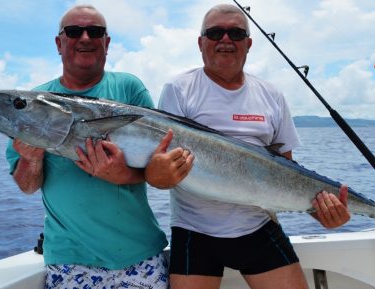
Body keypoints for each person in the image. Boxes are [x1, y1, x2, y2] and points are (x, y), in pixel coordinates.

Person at [145, 4, 351, 289]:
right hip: (195, 230)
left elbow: (287, 170)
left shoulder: (272, 95)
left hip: (258, 226)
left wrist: (321, 211)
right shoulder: (178, 89)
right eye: (215, 33)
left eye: (236, 33)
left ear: (249, 43)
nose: (225, 40)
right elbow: (163, 168)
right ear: (200, 42)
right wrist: (155, 174)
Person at [6, 5, 169, 289]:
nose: (84, 38)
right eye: (73, 31)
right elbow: (27, 186)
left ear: (106, 43)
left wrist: (122, 174)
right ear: (59, 43)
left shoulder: (129, 88)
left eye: (95, 32)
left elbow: (160, 164)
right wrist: (30, 160)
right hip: (69, 260)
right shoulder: (31, 106)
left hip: (139, 254)